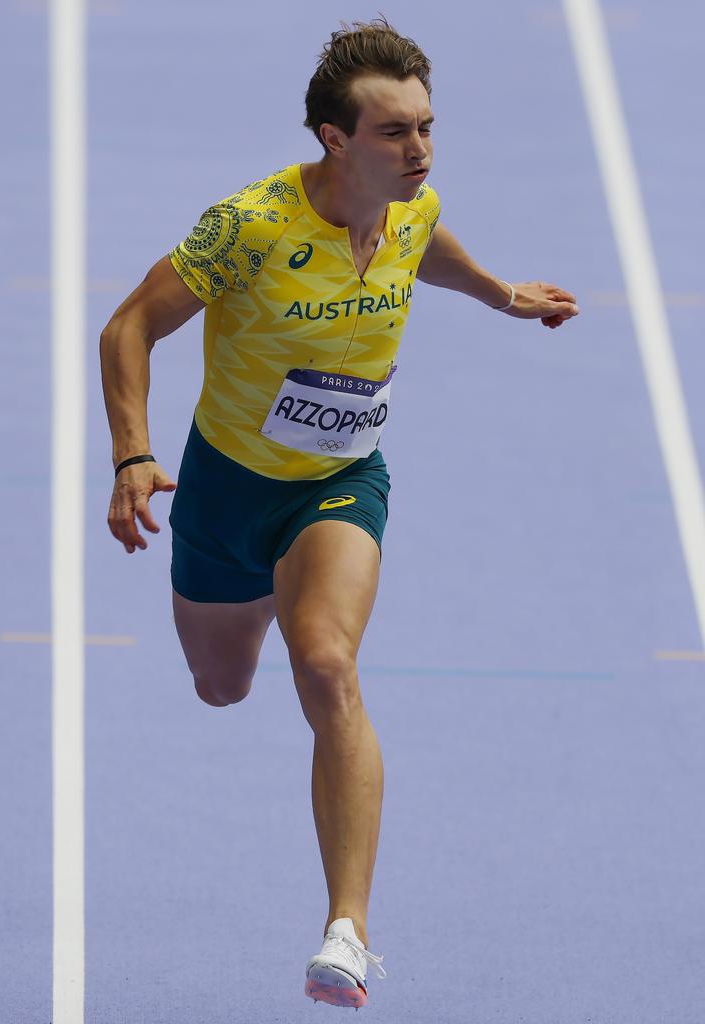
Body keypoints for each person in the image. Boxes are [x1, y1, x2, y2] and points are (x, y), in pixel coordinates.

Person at [99, 16, 579, 1011]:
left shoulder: (412, 208)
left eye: (427, 127)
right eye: (396, 133)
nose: (420, 150)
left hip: (340, 481)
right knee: (221, 686)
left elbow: (427, 245)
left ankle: (347, 933)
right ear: (335, 138)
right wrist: (134, 455)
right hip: (226, 488)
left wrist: (497, 292)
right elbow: (130, 326)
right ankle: (273, 589)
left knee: (325, 662)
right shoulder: (251, 225)